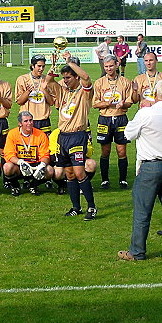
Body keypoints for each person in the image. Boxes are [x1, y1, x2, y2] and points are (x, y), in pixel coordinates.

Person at [118, 78, 162, 264]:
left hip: (151, 166)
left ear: (156, 94)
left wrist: (145, 110)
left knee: (142, 211)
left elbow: (128, 134)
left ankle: (137, 251)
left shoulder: (146, 114)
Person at [45, 51, 97, 220]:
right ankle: (76, 207)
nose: (65, 80)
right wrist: (53, 65)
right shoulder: (63, 91)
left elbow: (87, 77)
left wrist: (69, 62)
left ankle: (92, 207)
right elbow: (48, 82)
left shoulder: (84, 92)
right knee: (69, 173)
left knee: (80, 172)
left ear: (76, 77)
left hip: (77, 135)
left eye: (68, 77)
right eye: (64, 77)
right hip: (63, 137)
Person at [93, 54, 133, 190]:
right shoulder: (99, 83)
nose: (109, 68)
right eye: (106, 66)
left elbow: (130, 102)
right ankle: (105, 180)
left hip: (121, 118)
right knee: (105, 151)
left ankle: (123, 180)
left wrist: (124, 104)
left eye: (111, 66)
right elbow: (95, 104)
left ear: (116, 65)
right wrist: (106, 103)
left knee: (121, 151)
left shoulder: (125, 82)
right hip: (105, 119)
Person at [3, 111, 53, 196]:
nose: (29, 123)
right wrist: (20, 162)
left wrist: (42, 165)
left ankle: (33, 186)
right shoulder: (12, 134)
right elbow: (9, 154)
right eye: (26, 121)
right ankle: (15, 187)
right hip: (20, 165)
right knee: (7, 167)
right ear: (20, 123)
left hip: (35, 165)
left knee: (50, 170)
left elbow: (45, 154)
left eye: (31, 120)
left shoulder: (41, 134)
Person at [48, 128, 97, 195]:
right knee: (58, 172)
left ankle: (82, 184)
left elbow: (90, 151)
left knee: (92, 164)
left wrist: (80, 151)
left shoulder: (82, 133)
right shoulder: (56, 133)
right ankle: (62, 186)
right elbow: (53, 152)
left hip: (78, 160)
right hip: (63, 161)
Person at [14, 55, 54, 134]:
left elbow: (51, 102)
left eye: (43, 66)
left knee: (44, 145)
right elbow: (19, 102)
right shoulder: (22, 79)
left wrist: (44, 90)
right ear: (32, 66)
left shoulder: (46, 80)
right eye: (39, 66)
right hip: (28, 120)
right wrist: (27, 92)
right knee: (28, 145)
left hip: (43, 120)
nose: (41, 69)